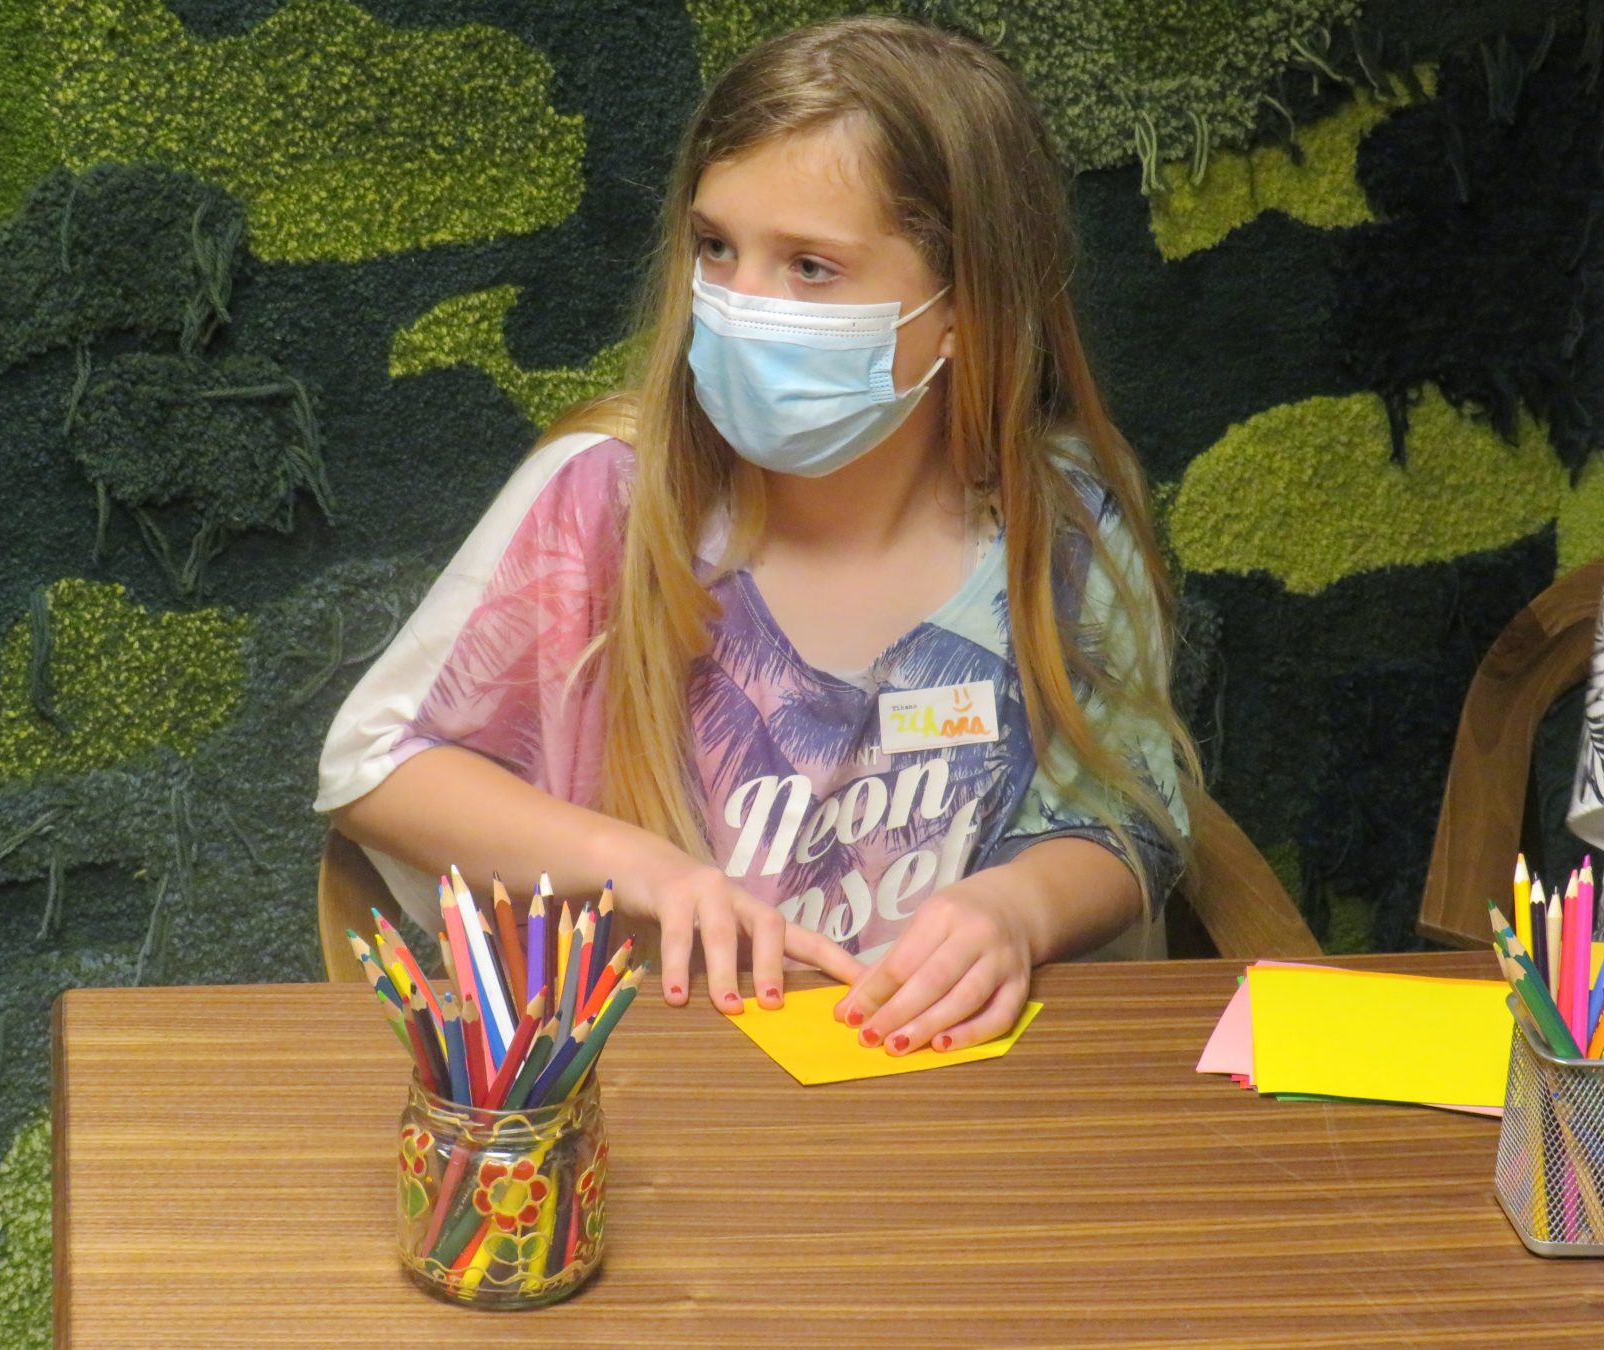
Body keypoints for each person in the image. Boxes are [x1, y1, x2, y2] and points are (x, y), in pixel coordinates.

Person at [316, 15, 1198, 1056]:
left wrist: (1018, 910)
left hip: (947, 1098)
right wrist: (639, 867)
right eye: (715, 247)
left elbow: (1128, 812)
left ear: (971, 305)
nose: (737, 306)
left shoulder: (1066, 520)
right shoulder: (600, 491)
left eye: (811, 267)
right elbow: (375, 765)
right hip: (664, 1086)